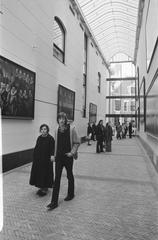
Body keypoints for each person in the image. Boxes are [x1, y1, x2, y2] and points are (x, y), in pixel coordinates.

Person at [47, 112, 80, 210]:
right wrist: (53, 155)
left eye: (63, 119)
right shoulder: (56, 129)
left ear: (66, 119)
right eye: (59, 119)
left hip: (68, 157)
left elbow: (77, 142)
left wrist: (72, 153)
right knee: (57, 178)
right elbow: (56, 144)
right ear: (57, 120)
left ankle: (71, 194)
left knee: (69, 175)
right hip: (59, 158)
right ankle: (54, 202)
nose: (61, 120)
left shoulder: (72, 129)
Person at [29, 124, 55, 196]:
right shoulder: (39, 138)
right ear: (40, 130)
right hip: (39, 159)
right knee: (40, 173)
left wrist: (52, 155)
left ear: (47, 130)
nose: (43, 130)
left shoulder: (50, 138)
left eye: (45, 129)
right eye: (42, 129)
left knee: (46, 173)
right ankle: (41, 187)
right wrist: (34, 157)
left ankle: (45, 188)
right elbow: (36, 148)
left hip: (47, 160)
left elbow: (53, 148)